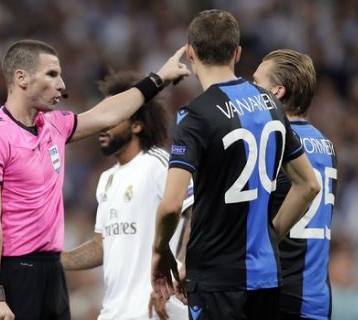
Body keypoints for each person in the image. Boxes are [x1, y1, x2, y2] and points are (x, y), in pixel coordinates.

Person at [0, 39, 190, 320]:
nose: (62, 84)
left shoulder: (54, 125)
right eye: (51, 74)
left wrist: (158, 79)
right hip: (14, 273)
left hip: (52, 275)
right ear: (21, 77)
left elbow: (108, 113)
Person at [150, 9, 320, 320]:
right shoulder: (271, 105)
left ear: (190, 52)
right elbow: (309, 185)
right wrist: (270, 236)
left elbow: (172, 205)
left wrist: (161, 251)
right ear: (237, 53)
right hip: (267, 277)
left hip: (217, 278)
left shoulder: (195, 115)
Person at [61, 71, 193, 320]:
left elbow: (196, 214)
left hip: (157, 309)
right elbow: (102, 245)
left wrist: (182, 271)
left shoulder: (158, 163)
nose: (102, 125)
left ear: (137, 123)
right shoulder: (107, 179)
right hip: (114, 312)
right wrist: (58, 261)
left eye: (112, 118)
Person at [253, 49, 337, 320]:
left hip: (279, 294)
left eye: (257, 83)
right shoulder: (325, 144)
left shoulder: (272, 143)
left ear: (277, 92)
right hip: (318, 296)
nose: (251, 91)